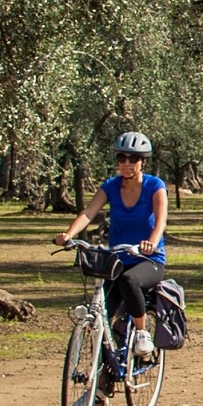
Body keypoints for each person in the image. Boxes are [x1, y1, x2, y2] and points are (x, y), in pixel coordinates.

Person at [56, 131, 168, 375]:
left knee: (130, 280)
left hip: (148, 259)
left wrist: (151, 242)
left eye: (133, 158)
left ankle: (141, 333)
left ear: (142, 162)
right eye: (121, 157)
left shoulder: (154, 186)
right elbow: (88, 213)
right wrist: (69, 235)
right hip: (117, 258)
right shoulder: (110, 187)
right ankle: (101, 383)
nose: (126, 163)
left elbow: (160, 222)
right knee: (102, 314)